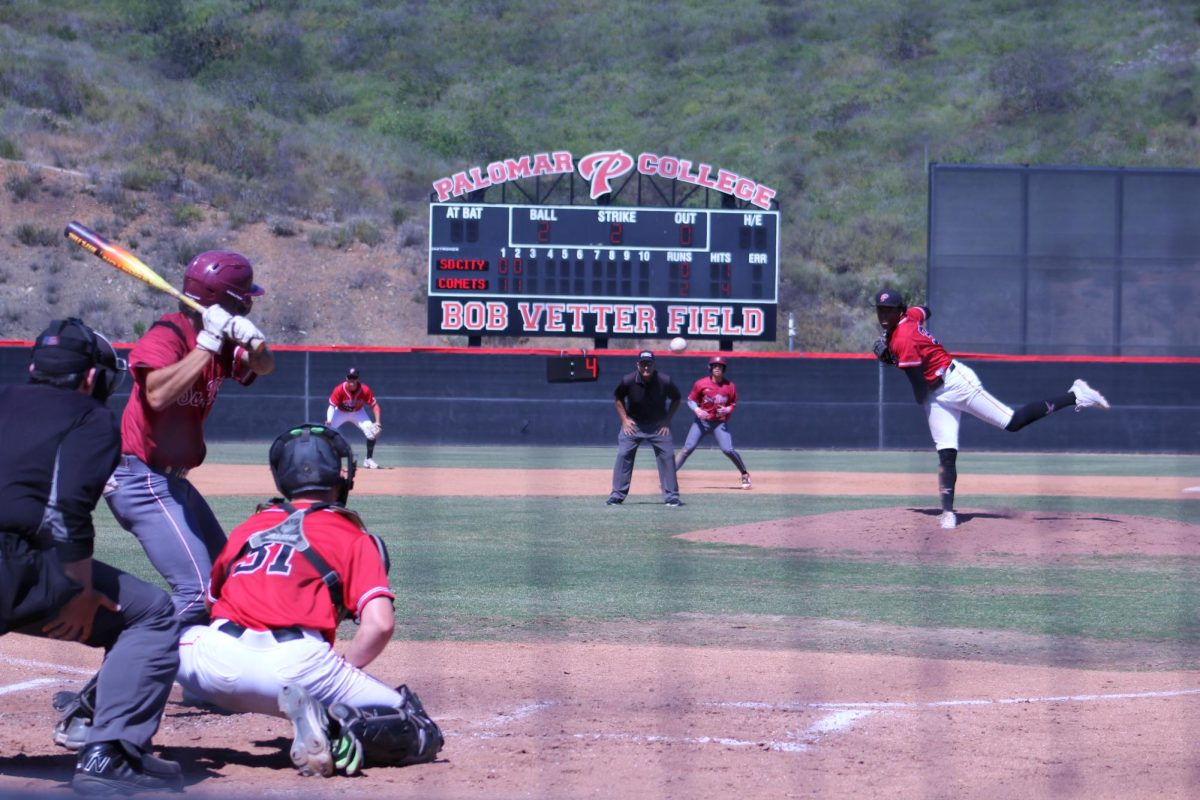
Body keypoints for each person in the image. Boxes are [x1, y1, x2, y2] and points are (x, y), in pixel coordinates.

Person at [175, 423, 443, 777]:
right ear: (339, 475)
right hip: (298, 669)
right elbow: (379, 625)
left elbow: (211, 603)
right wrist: (339, 672)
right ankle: (335, 729)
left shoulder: (248, 527)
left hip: (210, 663)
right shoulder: (352, 534)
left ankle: (98, 719)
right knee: (421, 730)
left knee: (148, 643)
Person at [0, 318, 182, 794]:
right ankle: (112, 754)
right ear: (91, 378)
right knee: (152, 614)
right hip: (15, 570)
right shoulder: (91, 417)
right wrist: (77, 593)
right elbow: (67, 511)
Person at [104, 250, 275, 624]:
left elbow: (264, 367)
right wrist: (206, 345)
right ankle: (112, 677)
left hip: (172, 481)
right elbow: (157, 395)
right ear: (233, 300)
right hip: (140, 477)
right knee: (197, 591)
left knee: (227, 581)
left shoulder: (222, 341)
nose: (250, 302)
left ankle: (206, 677)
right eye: (245, 296)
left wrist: (256, 344)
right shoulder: (167, 334)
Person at [872, 287, 1110, 529]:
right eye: (880, 310)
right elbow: (925, 310)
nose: (883, 315)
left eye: (889, 310)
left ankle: (1075, 395)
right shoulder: (909, 318)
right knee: (946, 452)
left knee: (1013, 422)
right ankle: (948, 512)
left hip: (956, 384)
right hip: (937, 393)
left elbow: (920, 390)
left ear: (899, 310)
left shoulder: (903, 338)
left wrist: (891, 357)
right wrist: (897, 344)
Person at [607, 350, 682, 506]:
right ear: (638, 365)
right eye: (643, 364)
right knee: (623, 454)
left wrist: (667, 420)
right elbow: (618, 398)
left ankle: (671, 496)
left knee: (667, 456)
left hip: (658, 426)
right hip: (634, 425)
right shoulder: (628, 380)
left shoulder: (664, 380)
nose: (646, 367)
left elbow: (677, 399)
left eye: (649, 363)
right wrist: (624, 420)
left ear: (654, 364)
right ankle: (616, 495)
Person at [674, 356, 752, 489]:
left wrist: (728, 409)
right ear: (710, 368)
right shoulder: (701, 383)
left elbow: (733, 403)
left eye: (720, 366)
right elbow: (691, 400)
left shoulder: (729, 386)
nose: (717, 368)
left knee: (728, 449)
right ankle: (668, 477)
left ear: (723, 369)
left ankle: (744, 473)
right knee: (687, 449)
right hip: (701, 422)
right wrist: (697, 410)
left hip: (719, 423)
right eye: (715, 366)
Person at [326, 367, 383, 469]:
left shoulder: (365, 389)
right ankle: (327, 460)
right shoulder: (339, 389)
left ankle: (368, 460)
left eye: (354, 377)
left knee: (372, 433)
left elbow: (374, 405)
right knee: (328, 432)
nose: (352, 380)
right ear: (346, 378)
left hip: (358, 412)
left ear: (358, 379)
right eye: (350, 377)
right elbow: (331, 406)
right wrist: (329, 420)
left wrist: (378, 422)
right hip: (340, 412)